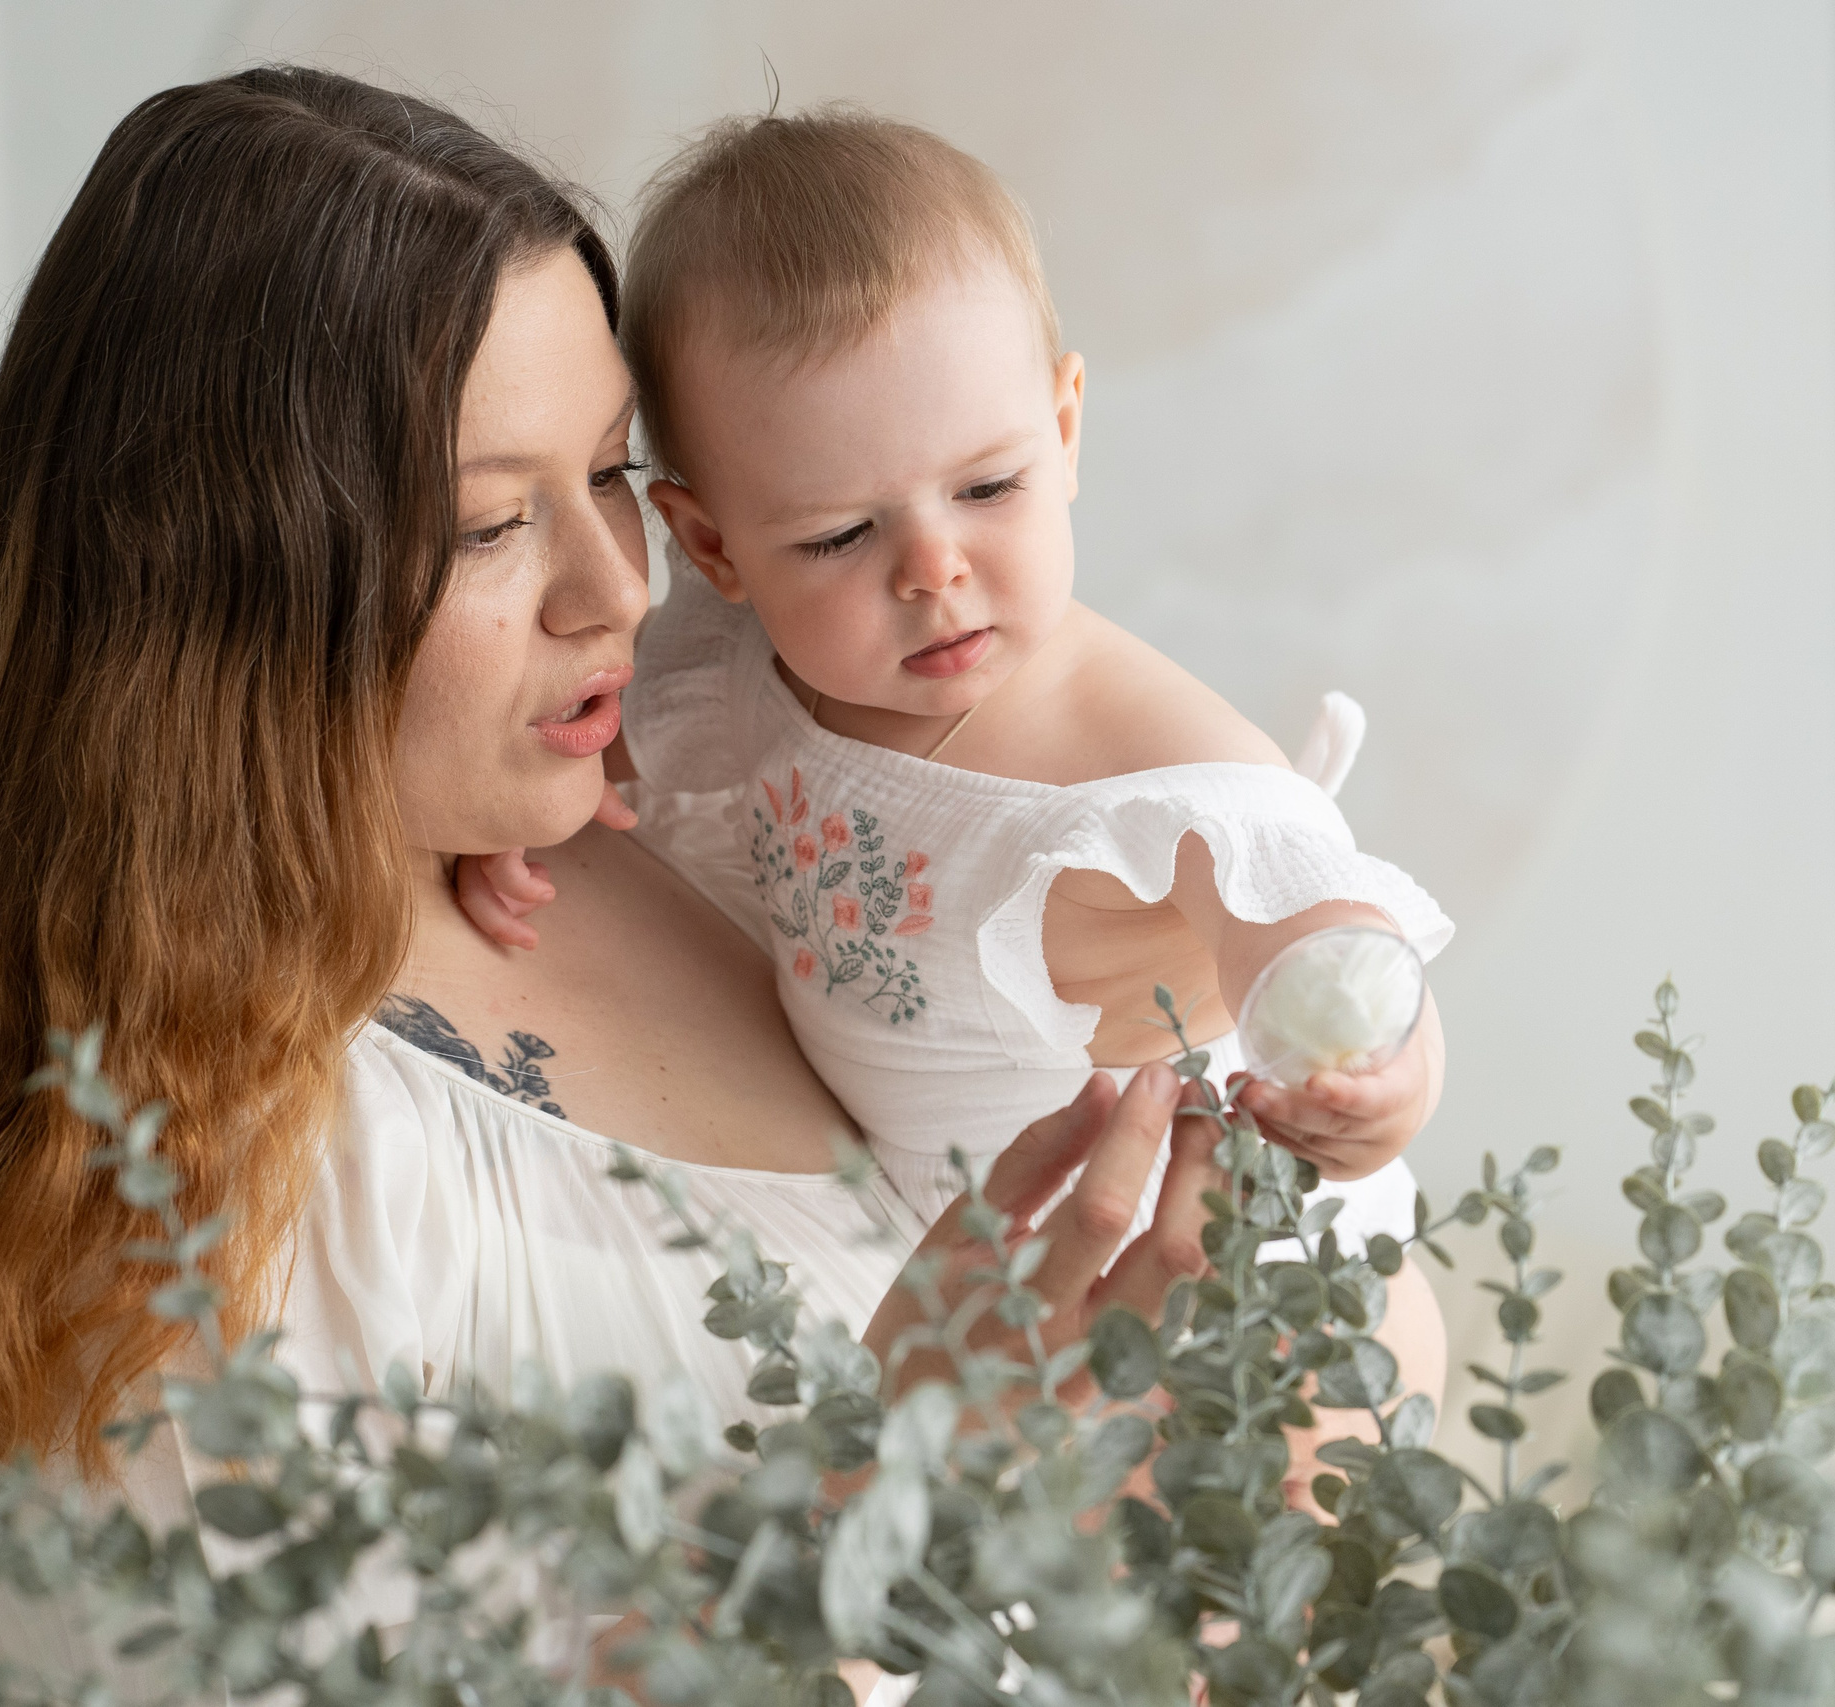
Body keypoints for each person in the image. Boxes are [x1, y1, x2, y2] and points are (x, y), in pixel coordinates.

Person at [0, 68, 1441, 1689]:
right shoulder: (188, 1182)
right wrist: (884, 1500)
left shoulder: (684, 831)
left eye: (611, 473)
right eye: (490, 522)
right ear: (225, 596)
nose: (622, 586)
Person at [456, 108, 1453, 1256]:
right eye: (838, 536)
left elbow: (1319, 924)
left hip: (1209, 1269)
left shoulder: (1146, 760)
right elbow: (605, 735)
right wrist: (514, 812)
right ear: (713, 547)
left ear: (1062, 431)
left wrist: (1382, 1078)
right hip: (940, 1263)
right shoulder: (741, 663)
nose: (934, 570)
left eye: (986, 489)